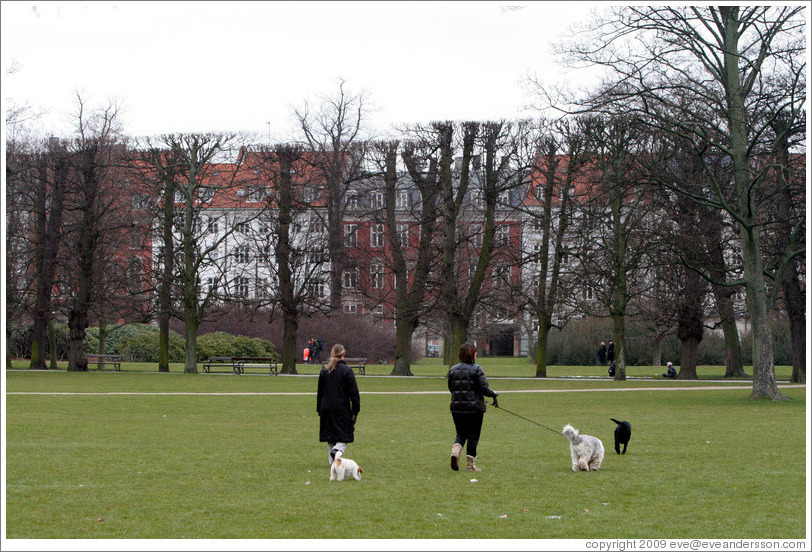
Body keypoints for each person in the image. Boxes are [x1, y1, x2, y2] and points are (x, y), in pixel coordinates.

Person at [447, 343, 498, 473]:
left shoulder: (453, 369)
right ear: (472, 355)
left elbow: (451, 388)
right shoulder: (477, 369)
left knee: (461, 433)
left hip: (456, 408)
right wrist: (493, 394)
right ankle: (470, 466)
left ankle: (455, 452)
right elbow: (484, 388)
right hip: (475, 408)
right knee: (473, 436)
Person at [317, 343, 360, 465]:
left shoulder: (325, 371)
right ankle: (337, 451)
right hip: (341, 408)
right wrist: (355, 411)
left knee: (330, 435)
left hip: (326, 407)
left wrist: (319, 409)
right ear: (343, 354)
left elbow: (320, 392)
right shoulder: (346, 371)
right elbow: (354, 393)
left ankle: (333, 463)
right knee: (344, 435)